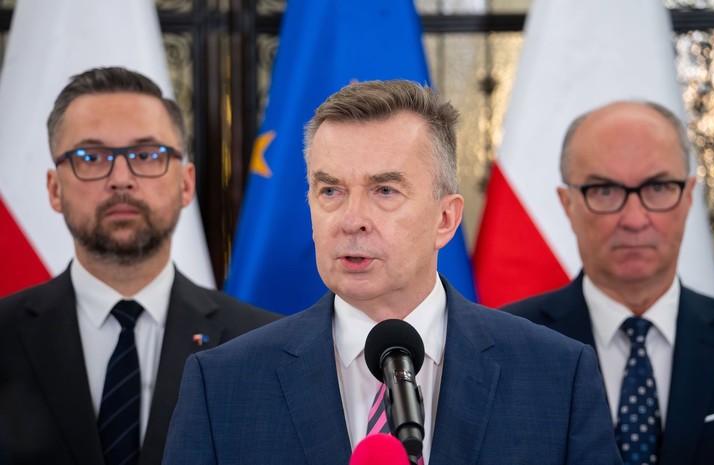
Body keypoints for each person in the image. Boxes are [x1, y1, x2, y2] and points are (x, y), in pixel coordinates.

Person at [162, 80, 622, 465]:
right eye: (330, 190)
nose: (351, 220)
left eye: (384, 190)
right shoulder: (222, 386)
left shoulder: (557, 376)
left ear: (445, 219)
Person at [0, 67, 280, 465]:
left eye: (146, 155)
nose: (121, 179)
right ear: (54, 189)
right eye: (91, 157)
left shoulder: (263, 344)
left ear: (186, 184)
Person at [502, 101, 714, 465]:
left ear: (688, 197)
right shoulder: (503, 347)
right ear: (567, 204)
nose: (634, 219)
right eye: (604, 190)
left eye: (658, 187)